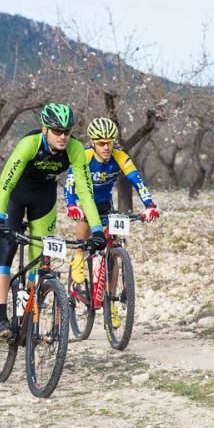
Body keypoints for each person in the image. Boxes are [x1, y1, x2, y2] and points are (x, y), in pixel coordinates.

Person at [0, 103, 106, 340]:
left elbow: (85, 191)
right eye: (57, 131)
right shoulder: (29, 144)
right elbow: (6, 182)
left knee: (40, 259)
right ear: (44, 129)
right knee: (8, 248)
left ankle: (27, 317)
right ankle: (0, 318)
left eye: (67, 131)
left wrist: (96, 229)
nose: (63, 136)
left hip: (44, 200)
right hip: (16, 196)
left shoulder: (73, 149)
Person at [63, 117, 159, 300]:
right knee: (84, 217)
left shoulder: (120, 156)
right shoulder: (84, 156)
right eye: (101, 143)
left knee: (113, 251)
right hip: (85, 203)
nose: (106, 147)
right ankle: (78, 256)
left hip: (106, 205)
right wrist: (71, 205)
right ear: (93, 143)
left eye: (110, 143)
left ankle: (111, 301)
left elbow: (137, 182)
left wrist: (150, 205)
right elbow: (70, 183)